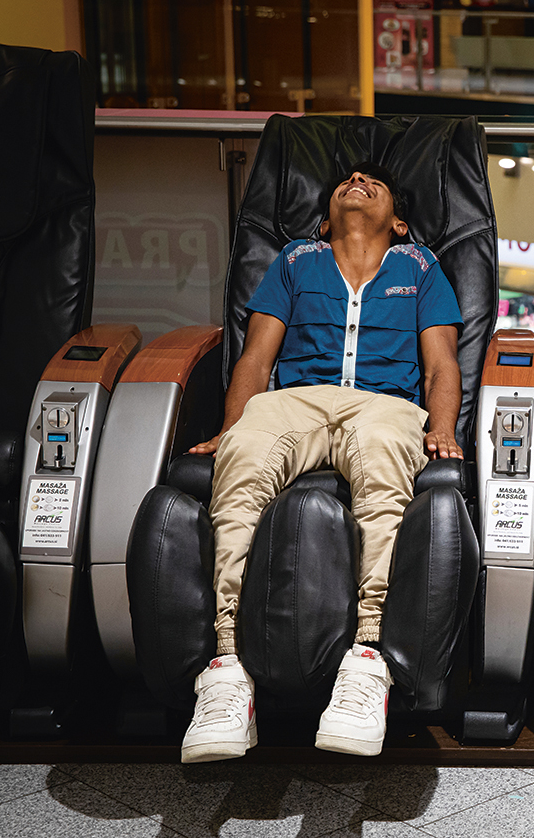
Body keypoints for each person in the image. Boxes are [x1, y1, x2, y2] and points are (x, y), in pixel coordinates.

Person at [179, 162, 464, 763]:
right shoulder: (292, 261)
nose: (357, 178)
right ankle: (227, 666)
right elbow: (256, 361)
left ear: (401, 222)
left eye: (375, 182)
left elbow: (441, 365)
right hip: (294, 403)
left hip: (386, 406)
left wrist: (441, 427)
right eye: (345, 179)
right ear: (323, 215)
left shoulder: (422, 268)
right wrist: (232, 429)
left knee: (385, 466)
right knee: (245, 460)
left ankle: (367, 658)